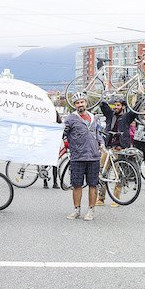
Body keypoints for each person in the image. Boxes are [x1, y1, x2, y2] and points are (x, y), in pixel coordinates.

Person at [63, 92, 103, 221]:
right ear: (74, 105)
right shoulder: (70, 119)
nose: (80, 104)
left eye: (82, 102)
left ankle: (91, 210)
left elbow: (98, 133)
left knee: (93, 184)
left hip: (93, 156)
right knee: (77, 184)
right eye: (77, 103)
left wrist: (101, 143)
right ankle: (77, 210)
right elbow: (62, 133)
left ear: (86, 102)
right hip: (77, 157)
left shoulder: (94, 117)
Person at [97, 95, 137, 207]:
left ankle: (116, 199)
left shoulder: (127, 117)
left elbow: (135, 111)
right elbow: (104, 106)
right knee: (102, 172)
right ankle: (101, 198)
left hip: (120, 149)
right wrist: (103, 96)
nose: (115, 107)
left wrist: (137, 96)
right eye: (115, 105)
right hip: (108, 149)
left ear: (123, 107)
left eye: (118, 105)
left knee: (119, 175)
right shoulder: (111, 115)